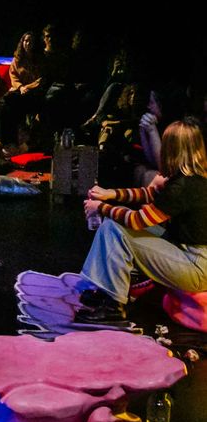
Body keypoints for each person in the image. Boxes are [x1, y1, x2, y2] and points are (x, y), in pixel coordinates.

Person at [76, 118, 207, 323]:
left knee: (117, 230)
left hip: (195, 265)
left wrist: (100, 207)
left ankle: (114, 306)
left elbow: (138, 220)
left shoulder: (184, 187)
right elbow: (149, 194)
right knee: (116, 223)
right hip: (185, 250)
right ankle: (108, 290)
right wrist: (110, 194)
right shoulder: (189, 179)